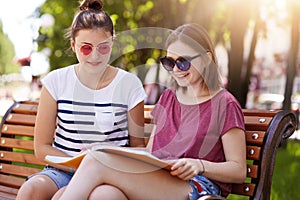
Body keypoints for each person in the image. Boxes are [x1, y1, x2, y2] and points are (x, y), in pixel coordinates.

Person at [58, 23, 247, 200]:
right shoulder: (169, 98)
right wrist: (106, 148)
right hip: (160, 176)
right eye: (169, 62)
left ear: (207, 58)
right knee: (105, 194)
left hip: (198, 187)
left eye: (183, 62)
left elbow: (238, 170)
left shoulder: (225, 104)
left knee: (96, 161)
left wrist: (200, 165)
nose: (176, 70)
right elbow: (149, 152)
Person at [16, 0, 146, 199]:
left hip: (108, 175)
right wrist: (80, 163)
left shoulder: (129, 85)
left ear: (113, 43)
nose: (95, 56)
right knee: (31, 190)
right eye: (86, 48)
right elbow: (41, 148)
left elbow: (138, 147)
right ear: (73, 45)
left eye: (103, 48)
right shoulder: (56, 81)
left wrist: (99, 165)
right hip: (62, 170)